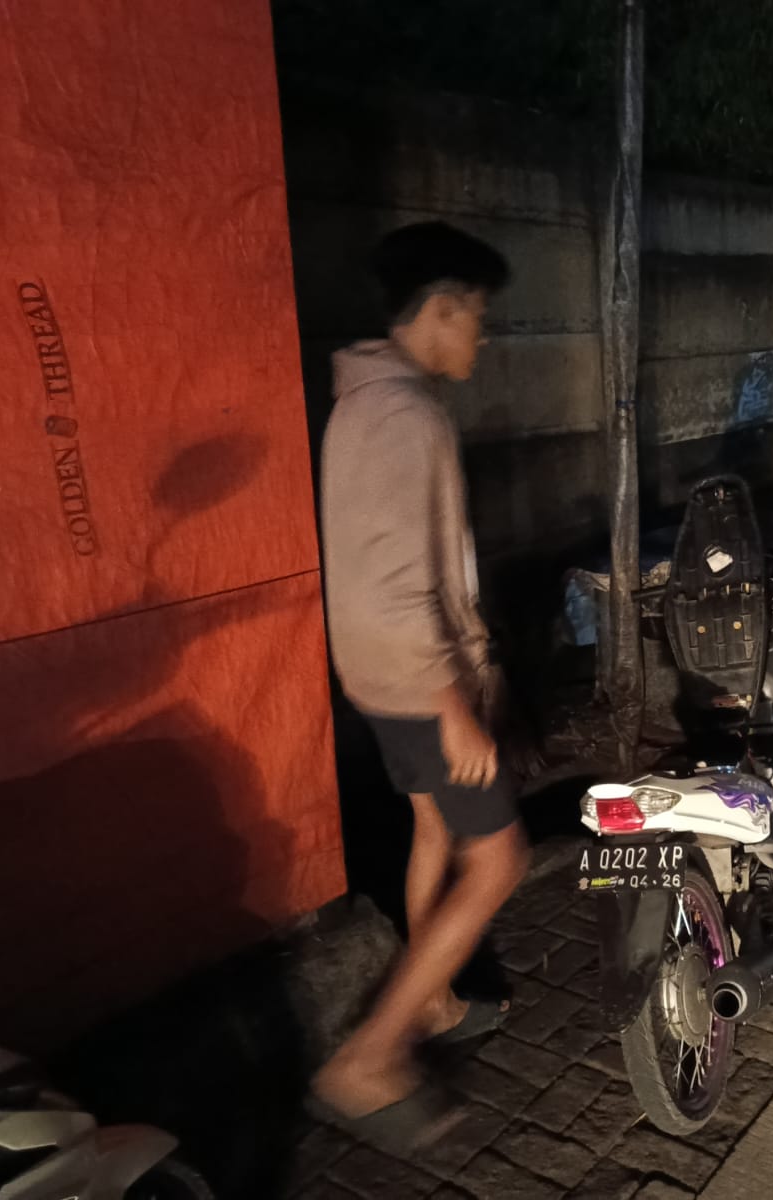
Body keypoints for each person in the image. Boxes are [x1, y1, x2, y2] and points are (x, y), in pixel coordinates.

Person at [311, 221, 530, 1147]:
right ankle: (370, 1055)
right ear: (440, 308)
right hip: (415, 683)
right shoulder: (407, 415)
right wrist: (455, 706)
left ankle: (434, 1000)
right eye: (476, 315)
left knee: (435, 827)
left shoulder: (362, 402)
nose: (481, 334)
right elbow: (401, 582)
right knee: (499, 858)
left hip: (379, 676)